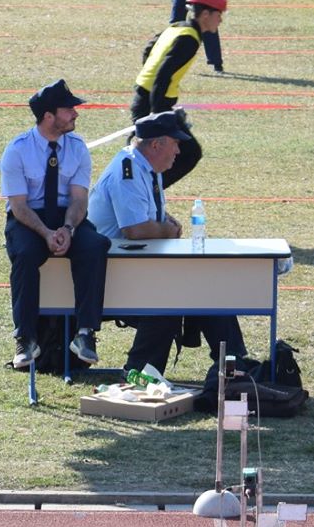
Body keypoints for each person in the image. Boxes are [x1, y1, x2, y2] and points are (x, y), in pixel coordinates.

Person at [85, 111, 248, 375]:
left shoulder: (147, 168)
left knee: (209, 285)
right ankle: (140, 371)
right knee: (168, 300)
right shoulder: (128, 171)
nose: (179, 150)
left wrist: (163, 224)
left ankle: (234, 361)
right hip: (110, 272)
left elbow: (150, 219)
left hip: (133, 265)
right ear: (156, 145)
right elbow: (136, 230)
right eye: (175, 143)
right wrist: (167, 230)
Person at [2, 79, 110, 372]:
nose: (75, 113)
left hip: (67, 218)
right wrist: (46, 233)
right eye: (68, 109)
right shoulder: (18, 150)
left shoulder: (77, 148)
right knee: (24, 254)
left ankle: (86, 332)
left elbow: (79, 199)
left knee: (96, 245)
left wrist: (68, 230)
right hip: (28, 219)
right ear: (48, 116)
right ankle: (25, 338)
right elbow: (20, 206)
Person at [134, 0, 224, 189]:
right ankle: (149, 192)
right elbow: (163, 75)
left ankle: (148, 191)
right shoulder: (188, 39)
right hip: (153, 103)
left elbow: (149, 50)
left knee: (142, 156)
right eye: (218, 14)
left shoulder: (177, 27)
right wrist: (157, 116)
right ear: (205, 14)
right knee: (189, 153)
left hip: (150, 98)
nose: (221, 20)